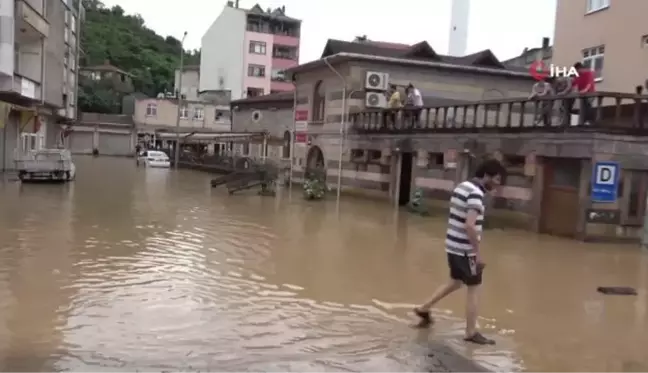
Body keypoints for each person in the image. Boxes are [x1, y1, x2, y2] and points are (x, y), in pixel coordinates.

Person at [413, 158, 505, 345]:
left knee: (455, 282)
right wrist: (477, 253)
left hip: (452, 245)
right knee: (474, 289)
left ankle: (423, 308)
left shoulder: (462, 186)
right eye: (495, 179)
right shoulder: (476, 195)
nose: (497, 184)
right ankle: (471, 332)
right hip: (465, 250)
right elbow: (470, 226)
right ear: (486, 175)